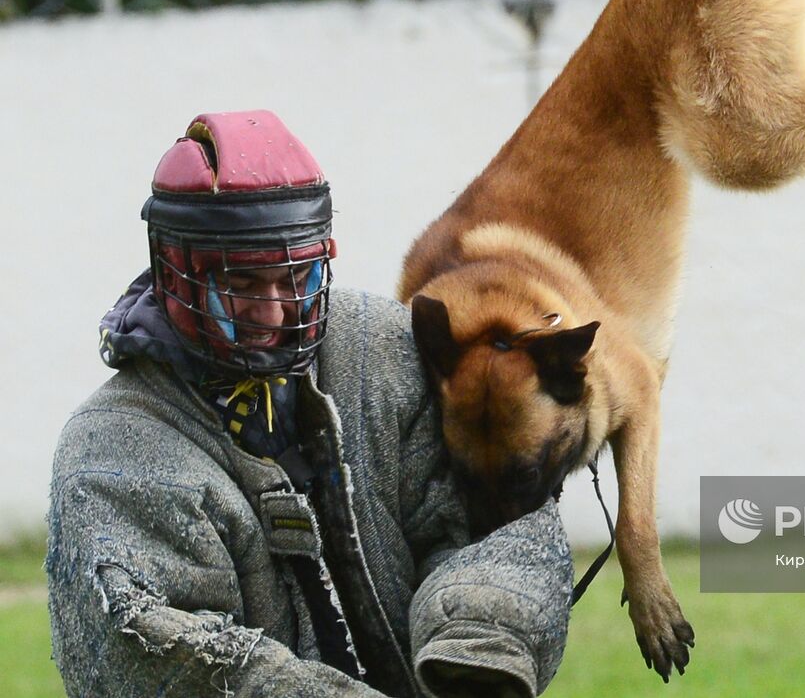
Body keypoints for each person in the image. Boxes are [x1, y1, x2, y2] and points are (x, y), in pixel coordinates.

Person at [46, 110, 572, 697]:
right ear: (179, 276)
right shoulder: (112, 450)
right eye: (243, 284)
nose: (275, 310)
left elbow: (485, 517)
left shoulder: (378, 351)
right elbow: (163, 654)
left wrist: (477, 654)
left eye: (295, 278)